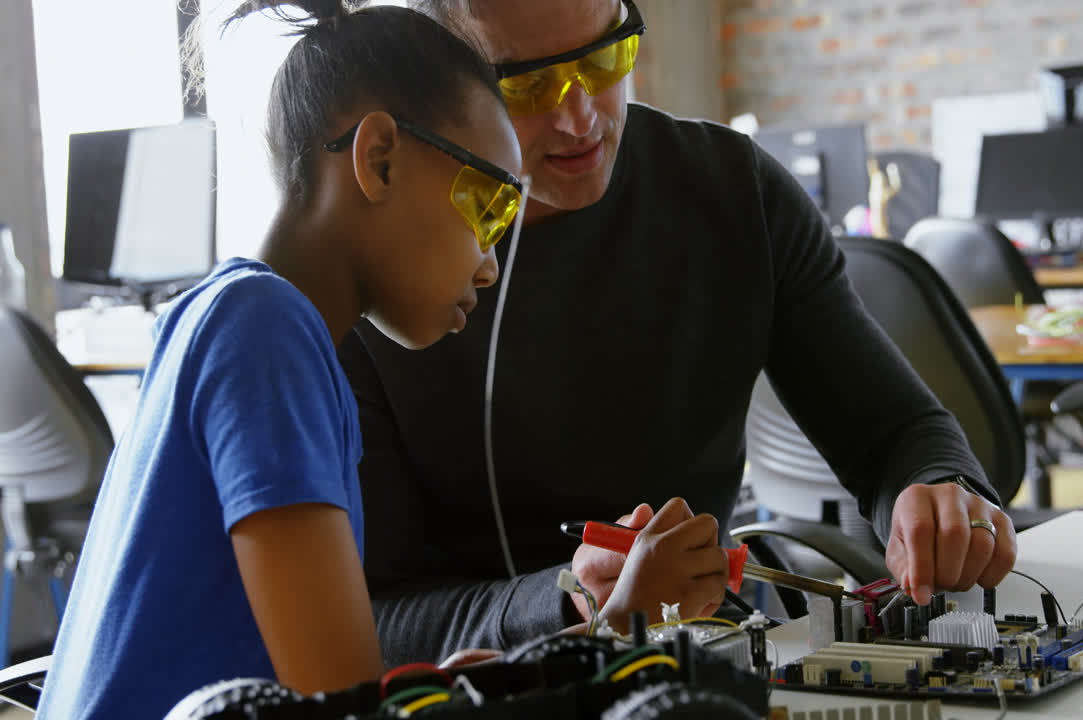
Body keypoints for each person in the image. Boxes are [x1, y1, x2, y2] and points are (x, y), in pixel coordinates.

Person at [337, 0, 1017, 665]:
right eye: (529, 83)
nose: (579, 118)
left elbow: (894, 434)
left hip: (711, 664)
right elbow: (371, 622)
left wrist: (939, 488)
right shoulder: (370, 263)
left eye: (604, 58)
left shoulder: (732, 191)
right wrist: (571, 600)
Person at [34, 2, 530, 717]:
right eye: (489, 210)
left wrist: (443, 686)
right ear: (380, 158)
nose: (489, 266)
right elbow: (344, 706)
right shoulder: (267, 332)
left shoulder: (227, 318)